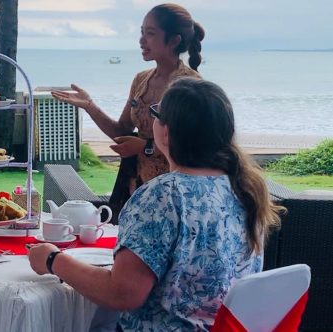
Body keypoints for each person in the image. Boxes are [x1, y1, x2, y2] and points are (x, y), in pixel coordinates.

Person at [29, 78, 284, 331]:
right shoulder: (244, 189)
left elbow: (123, 294)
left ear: (165, 131)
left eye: (156, 114)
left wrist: (52, 259)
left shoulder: (163, 197)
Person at [52, 3, 205, 221]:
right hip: (135, 187)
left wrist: (144, 147)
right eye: (142, 32)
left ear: (174, 40)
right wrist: (90, 106)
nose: (141, 40)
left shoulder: (189, 85)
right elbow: (121, 130)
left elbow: (195, 148)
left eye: (150, 34)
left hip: (173, 191)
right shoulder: (141, 79)